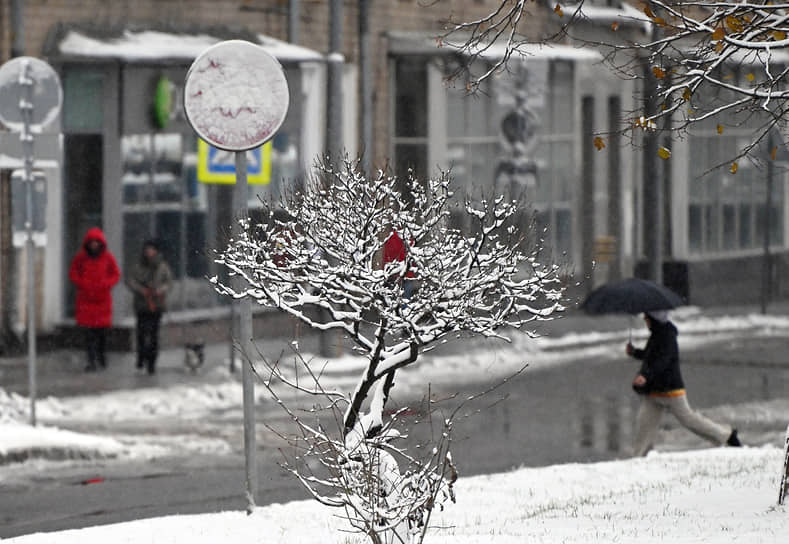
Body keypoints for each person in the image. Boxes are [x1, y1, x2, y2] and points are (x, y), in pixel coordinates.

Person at [626, 310, 742, 456]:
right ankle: (638, 457)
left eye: (647, 317)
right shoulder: (657, 333)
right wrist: (635, 352)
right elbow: (650, 355)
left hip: (670, 389)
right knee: (644, 424)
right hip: (654, 389)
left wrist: (645, 375)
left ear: (654, 319)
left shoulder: (667, 336)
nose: (644, 319)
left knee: (690, 420)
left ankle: (727, 436)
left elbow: (662, 361)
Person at [69, 227, 120, 372]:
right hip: (86, 301)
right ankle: (91, 360)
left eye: (96, 242)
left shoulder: (108, 258)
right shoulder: (80, 258)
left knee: (101, 333)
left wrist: (106, 284)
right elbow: (73, 273)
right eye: (92, 242)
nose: (94, 245)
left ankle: (101, 356)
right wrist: (82, 283)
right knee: (89, 334)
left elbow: (115, 274)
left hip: (102, 301)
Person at [125, 239, 173, 375]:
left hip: (156, 305)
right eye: (147, 249)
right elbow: (130, 280)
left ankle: (152, 362)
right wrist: (141, 290)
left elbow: (169, 283)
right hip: (141, 305)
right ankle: (141, 358)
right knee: (141, 333)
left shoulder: (162, 267)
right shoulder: (138, 266)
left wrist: (160, 290)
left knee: (153, 335)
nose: (149, 252)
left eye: (151, 249)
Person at [383, 229, 416, 299]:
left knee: (392, 298)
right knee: (405, 298)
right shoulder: (409, 237)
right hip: (406, 273)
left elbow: (387, 257)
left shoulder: (390, 237)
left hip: (394, 273)